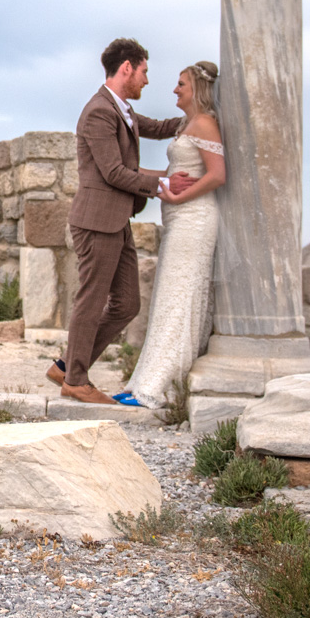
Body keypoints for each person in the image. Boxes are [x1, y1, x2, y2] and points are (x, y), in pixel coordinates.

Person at [50, 39, 195, 405]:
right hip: (96, 221)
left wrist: (200, 114)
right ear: (127, 67)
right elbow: (114, 172)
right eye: (144, 71)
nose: (147, 80)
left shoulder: (122, 110)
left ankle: (67, 365)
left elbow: (162, 127)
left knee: (127, 303)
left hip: (116, 220)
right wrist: (163, 184)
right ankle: (76, 379)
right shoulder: (99, 111)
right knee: (92, 298)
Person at [122, 61, 226, 412]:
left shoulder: (206, 124)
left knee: (180, 296)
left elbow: (217, 174)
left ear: (196, 88)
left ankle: (158, 385)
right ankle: (143, 381)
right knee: (169, 295)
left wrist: (179, 196)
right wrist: (142, 178)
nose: (174, 90)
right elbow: (175, 171)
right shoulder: (187, 125)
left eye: (181, 84)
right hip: (178, 218)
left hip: (195, 217)